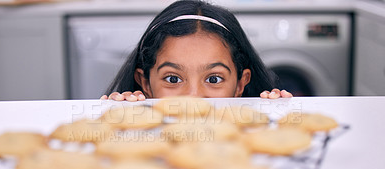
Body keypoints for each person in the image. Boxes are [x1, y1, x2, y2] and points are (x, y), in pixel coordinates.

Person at [101, 0, 293, 102]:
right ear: (146, 84)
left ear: (240, 85)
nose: (193, 97)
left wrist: (276, 119)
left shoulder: (254, 138)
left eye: (214, 79)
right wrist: (118, 126)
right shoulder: (134, 136)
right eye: (173, 79)